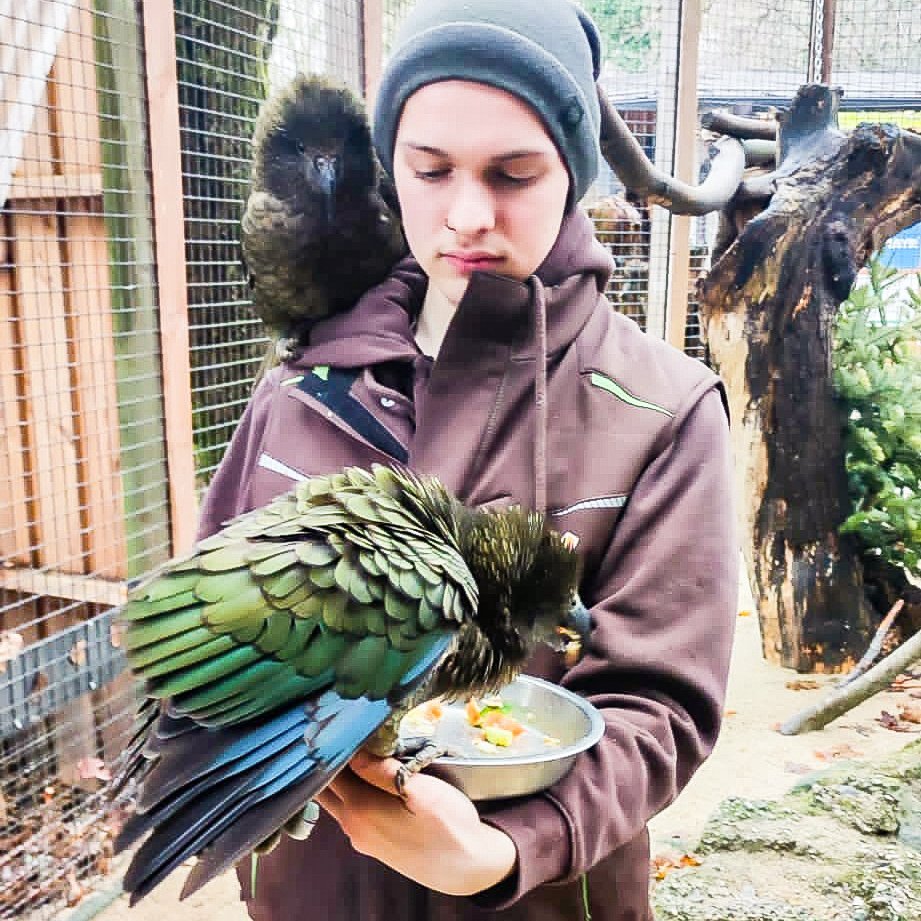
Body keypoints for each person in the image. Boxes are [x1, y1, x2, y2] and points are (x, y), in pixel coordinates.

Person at [197, 1, 739, 918]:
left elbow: (662, 705)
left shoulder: (661, 409)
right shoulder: (304, 379)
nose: (467, 214)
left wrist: (502, 850)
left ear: (571, 174)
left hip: (530, 896)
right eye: (430, 168)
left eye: (514, 173)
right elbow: (211, 606)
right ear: (388, 168)